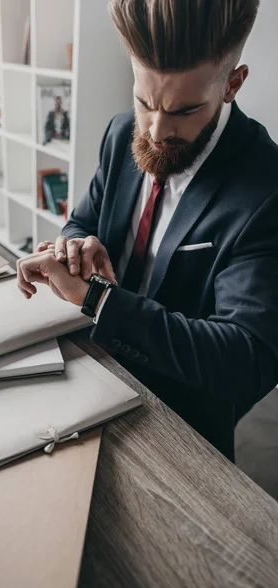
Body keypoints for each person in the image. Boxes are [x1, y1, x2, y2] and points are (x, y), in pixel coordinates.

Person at [17, 0, 278, 461]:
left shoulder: (266, 191)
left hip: (174, 431)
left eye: (184, 110)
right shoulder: (121, 135)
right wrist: (75, 245)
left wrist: (98, 299)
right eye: (144, 100)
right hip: (82, 376)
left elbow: (246, 361)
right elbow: (83, 219)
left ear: (233, 84)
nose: (156, 130)